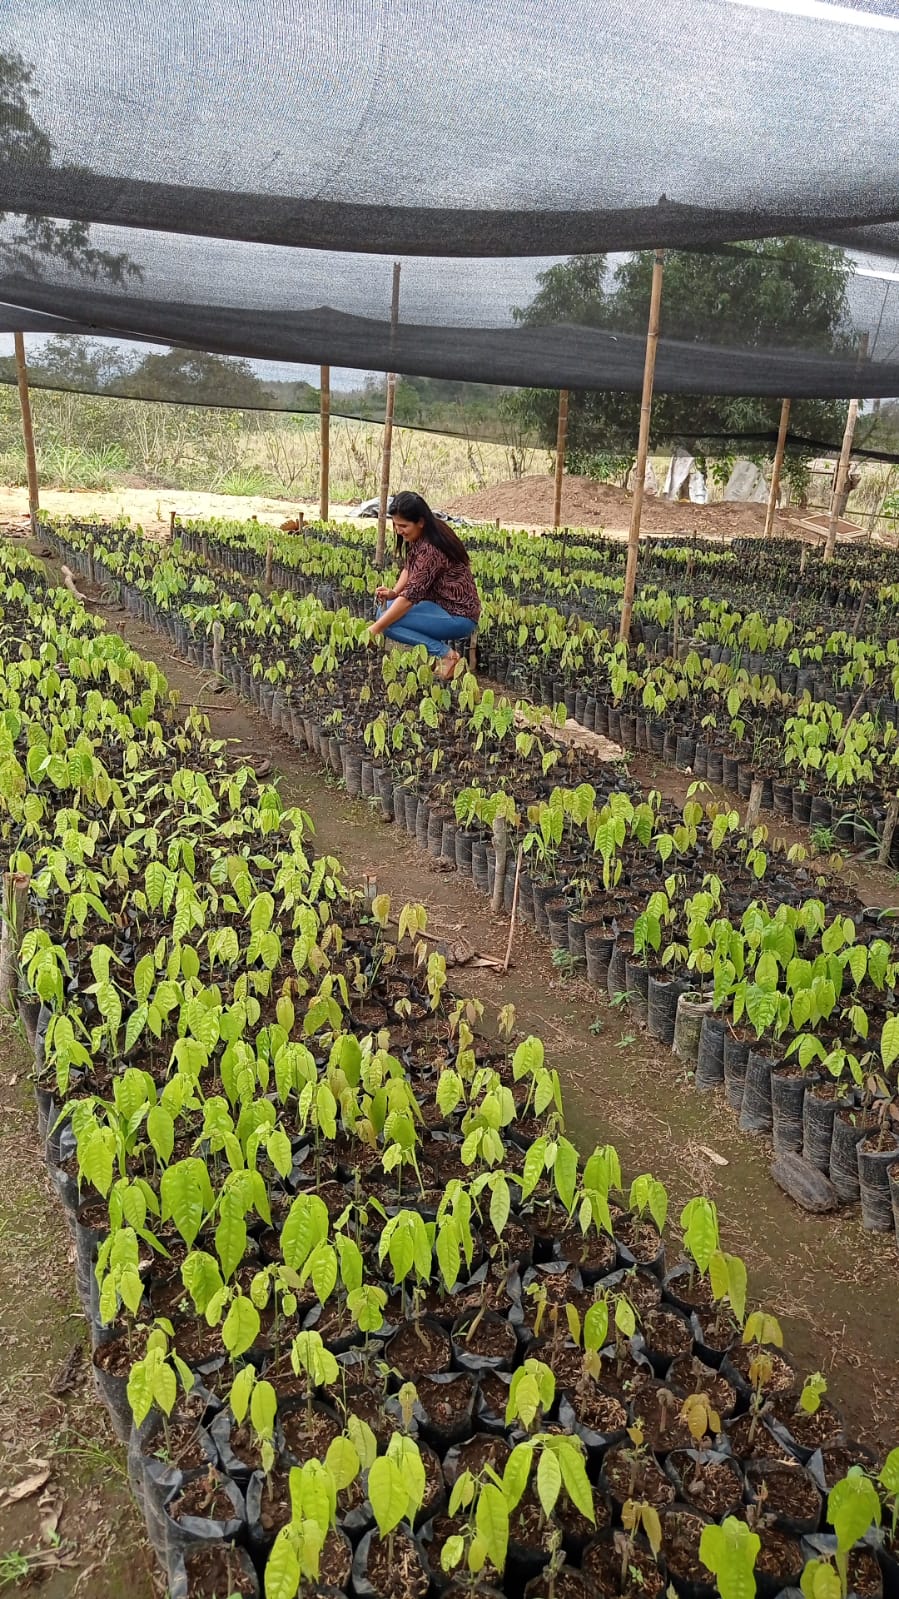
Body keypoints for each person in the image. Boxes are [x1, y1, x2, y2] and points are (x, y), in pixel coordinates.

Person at [365, 491, 481, 680]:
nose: (398, 531)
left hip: (458, 615)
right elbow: (409, 567)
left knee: (387, 623)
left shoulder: (431, 549)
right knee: (384, 613)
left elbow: (409, 599)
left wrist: (376, 629)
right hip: (441, 605)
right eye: (395, 525)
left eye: (404, 526)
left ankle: (447, 656)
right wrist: (394, 592)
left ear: (420, 521)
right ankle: (441, 655)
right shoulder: (427, 532)